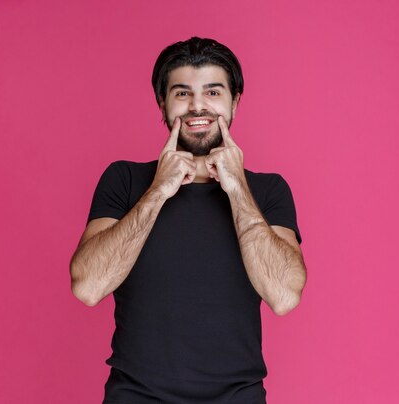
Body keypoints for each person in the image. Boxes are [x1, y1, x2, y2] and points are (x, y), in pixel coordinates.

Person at [70, 37, 307, 404]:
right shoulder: (125, 180)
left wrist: (238, 190)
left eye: (213, 92)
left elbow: (284, 295)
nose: (198, 105)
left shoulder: (267, 190)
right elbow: (87, 287)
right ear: (162, 104)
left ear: (235, 102)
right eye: (182, 93)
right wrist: (158, 191)